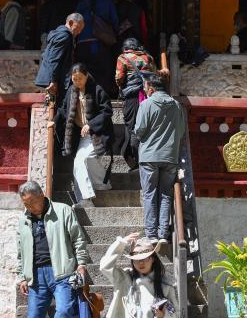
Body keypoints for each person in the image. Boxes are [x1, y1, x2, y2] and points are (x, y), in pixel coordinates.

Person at [16, 180, 89, 318]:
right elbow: (21, 252)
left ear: (41, 195)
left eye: (32, 202)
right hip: (35, 276)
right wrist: (22, 277)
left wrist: (81, 263)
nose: (29, 207)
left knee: (64, 312)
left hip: (62, 272)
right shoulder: (23, 220)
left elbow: (78, 238)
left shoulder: (63, 210)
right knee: (33, 316)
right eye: (26, 204)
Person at [134, 75, 186, 243]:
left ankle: (151, 234)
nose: (145, 91)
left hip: (149, 156)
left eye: (145, 88)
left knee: (149, 194)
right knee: (166, 194)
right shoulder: (177, 106)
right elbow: (181, 131)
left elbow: (139, 130)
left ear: (151, 89)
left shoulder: (146, 104)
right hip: (170, 156)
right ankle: (163, 234)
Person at [55, 63, 114, 206]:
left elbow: (107, 111)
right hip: (81, 135)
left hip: (97, 133)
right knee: (83, 162)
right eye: (74, 79)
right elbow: (63, 110)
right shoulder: (71, 91)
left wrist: (91, 124)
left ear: (86, 76)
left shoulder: (97, 90)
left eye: (80, 78)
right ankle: (101, 184)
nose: (77, 82)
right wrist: (52, 122)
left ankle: (86, 198)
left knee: (81, 161)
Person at [99, 231, 177, 318]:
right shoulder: (124, 278)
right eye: (136, 259)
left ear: (153, 259)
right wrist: (121, 243)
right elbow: (105, 267)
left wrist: (163, 315)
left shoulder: (165, 285)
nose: (141, 263)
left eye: (145, 258)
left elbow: (175, 313)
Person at [115, 38, 156, 169]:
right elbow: (154, 75)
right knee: (145, 125)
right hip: (147, 96)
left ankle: (134, 157)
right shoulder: (148, 57)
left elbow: (119, 78)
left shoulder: (123, 58)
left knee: (131, 126)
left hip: (132, 97)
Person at [75, 0, 119, 96]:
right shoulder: (107, 2)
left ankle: (85, 95)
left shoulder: (81, 3)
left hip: (82, 43)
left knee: (83, 70)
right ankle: (101, 96)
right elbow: (115, 22)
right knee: (103, 71)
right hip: (100, 43)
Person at [35, 13, 85, 104]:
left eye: (81, 29)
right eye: (78, 28)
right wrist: (53, 81)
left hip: (56, 79)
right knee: (59, 107)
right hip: (57, 81)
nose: (79, 32)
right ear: (70, 23)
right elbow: (54, 59)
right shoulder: (64, 35)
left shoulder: (59, 33)